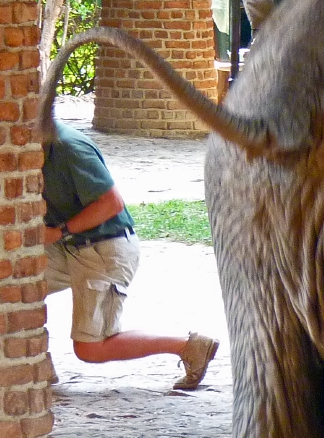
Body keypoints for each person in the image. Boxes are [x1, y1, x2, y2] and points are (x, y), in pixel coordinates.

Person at [42, 119, 219, 390]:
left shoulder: (69, 147)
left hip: (104, 249)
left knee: (90, 349)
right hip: (69, 247)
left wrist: (59, 231)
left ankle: (190, 346)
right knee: (15, 285)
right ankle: (35, 364)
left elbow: (111, 203)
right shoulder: (29, 145)